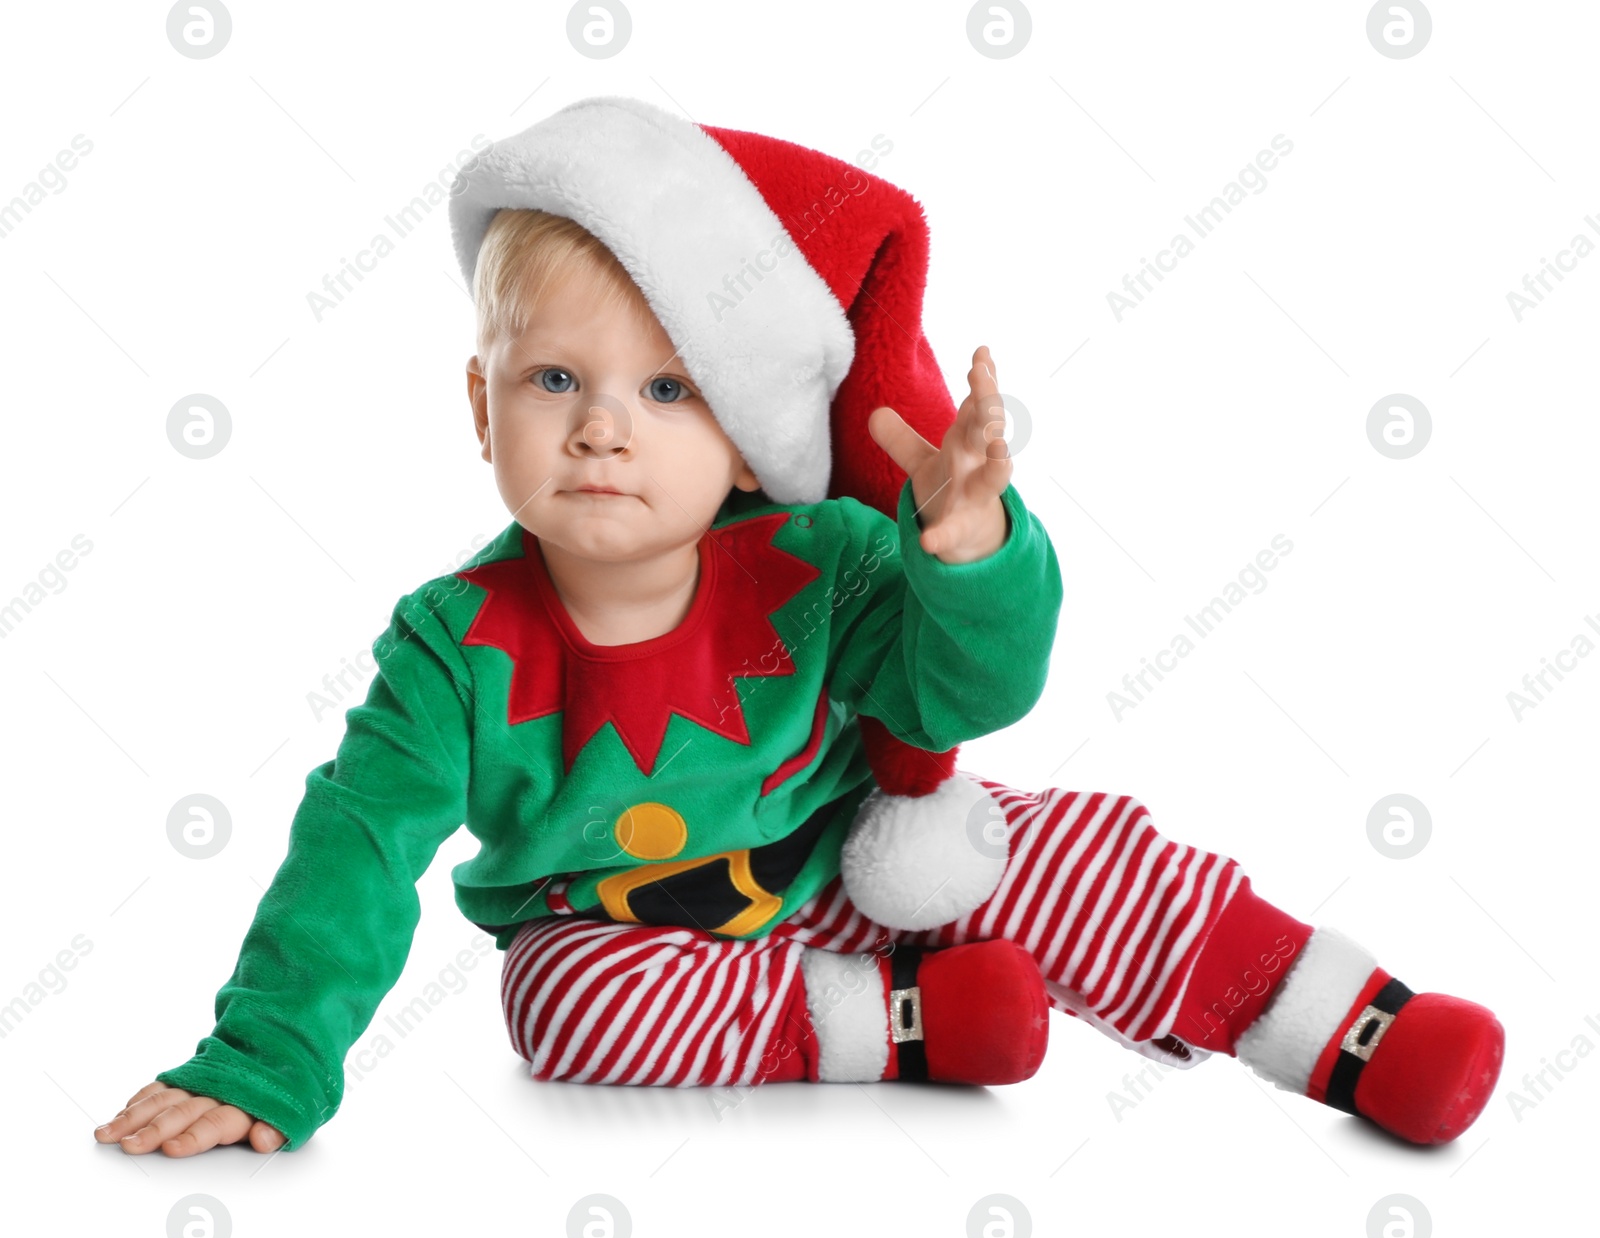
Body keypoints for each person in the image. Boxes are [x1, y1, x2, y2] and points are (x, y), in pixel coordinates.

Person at [95, 95, 1502, 1158]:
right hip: (625, 935)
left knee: (1067, 848)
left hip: (845, 858)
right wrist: (264, 1064)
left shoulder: (821, 559)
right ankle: (896, 1029)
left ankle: (1342, 1023)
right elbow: (355, 850)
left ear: (753, 436)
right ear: (480, 409)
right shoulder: (453, 647)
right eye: (555, 380)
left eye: (665, 393)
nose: (598, 427)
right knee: (564, 1013)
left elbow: (975, 690)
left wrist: (966, 556)